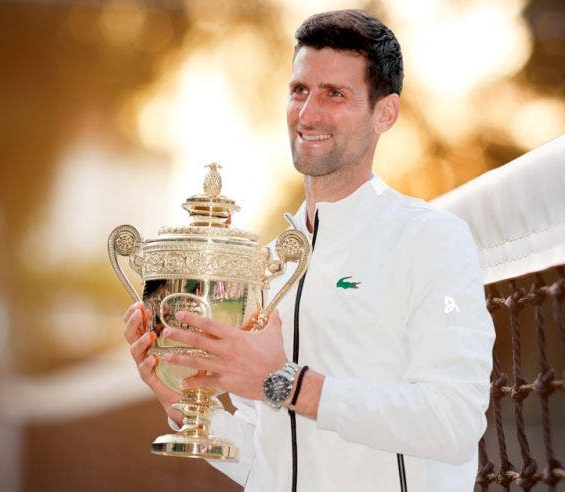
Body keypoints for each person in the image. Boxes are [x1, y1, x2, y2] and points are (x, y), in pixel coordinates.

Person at [123, 9, 494, 491]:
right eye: (300, 90)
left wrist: (286, 383)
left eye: (334, 94)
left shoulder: (432, 240)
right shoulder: (268, 264)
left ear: (385, 113)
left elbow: (453, 421)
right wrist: (176, 395)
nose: (308, 113)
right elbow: (266, 462)